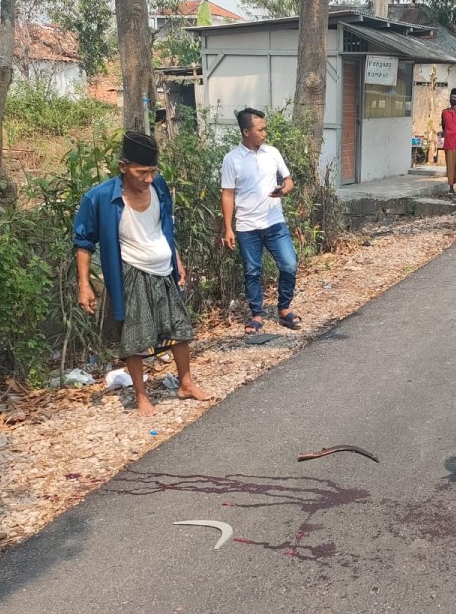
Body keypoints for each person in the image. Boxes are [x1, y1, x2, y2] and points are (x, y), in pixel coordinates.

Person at [73, 130, 215, 417]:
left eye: (152, 171)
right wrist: (84, 285)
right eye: (141, 172)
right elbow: (83, 242)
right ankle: (141, 396)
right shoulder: (100, 197)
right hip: (132, 273)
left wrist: (177, 258)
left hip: (164, 270)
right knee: (135, 337)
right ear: (123, 167)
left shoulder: (159, 186)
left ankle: (186, 383)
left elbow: (164, 226)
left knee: (180, 329)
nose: (148, 178)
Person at [221, 108, 301, 335]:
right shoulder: (232, 159)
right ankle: (257, 314)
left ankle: (284, 309)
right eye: (261, 129)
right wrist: (228, 228)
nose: (265, 133)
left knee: (289, 264)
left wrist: (283, 191)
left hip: (275, 222)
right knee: (252, 271)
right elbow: (227, 194)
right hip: (247, 227)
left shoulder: (272, 153)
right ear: (246, 132)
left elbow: (289, 182)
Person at [440, 89, 456, 191]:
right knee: (450, 167)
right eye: (451, 97)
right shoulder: (444, 112)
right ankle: (451, 189)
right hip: (449, 144)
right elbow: (443, 126)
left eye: (455, 97)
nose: (452, 99)